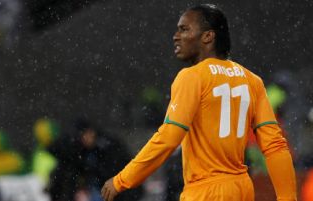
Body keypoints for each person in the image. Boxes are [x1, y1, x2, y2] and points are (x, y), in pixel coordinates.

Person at [101, 4, 297, 201]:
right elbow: (275, 146)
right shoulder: (252, 80)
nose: (176, 36)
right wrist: (288, 198)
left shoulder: (192, 77)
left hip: (205, 191)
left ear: (208, 37)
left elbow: (169, 138)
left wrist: (122, 180)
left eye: (184, 29)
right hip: (242, 189)